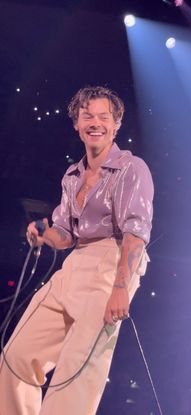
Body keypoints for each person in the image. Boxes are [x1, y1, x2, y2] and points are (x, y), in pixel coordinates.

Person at [0, 86, 154, 415]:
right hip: (76, 262)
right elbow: (65, 234)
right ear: (77, 124)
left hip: (113, 263)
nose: (95, 122)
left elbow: (136, 233)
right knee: (17, 357)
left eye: (103, 116)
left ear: (116, 125)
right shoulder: (72, 176)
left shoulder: (131, 168)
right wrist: (44, 236)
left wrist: (120, 288)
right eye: (87, 116)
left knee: (77, 372)